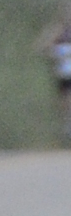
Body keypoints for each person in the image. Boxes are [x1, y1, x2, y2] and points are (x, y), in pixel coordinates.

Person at [41, 10, 71, 145]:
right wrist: (55, 51)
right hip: (64, 73)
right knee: (65, 101)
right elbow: (43, 48)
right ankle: (66, 126)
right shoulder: (57, 31)